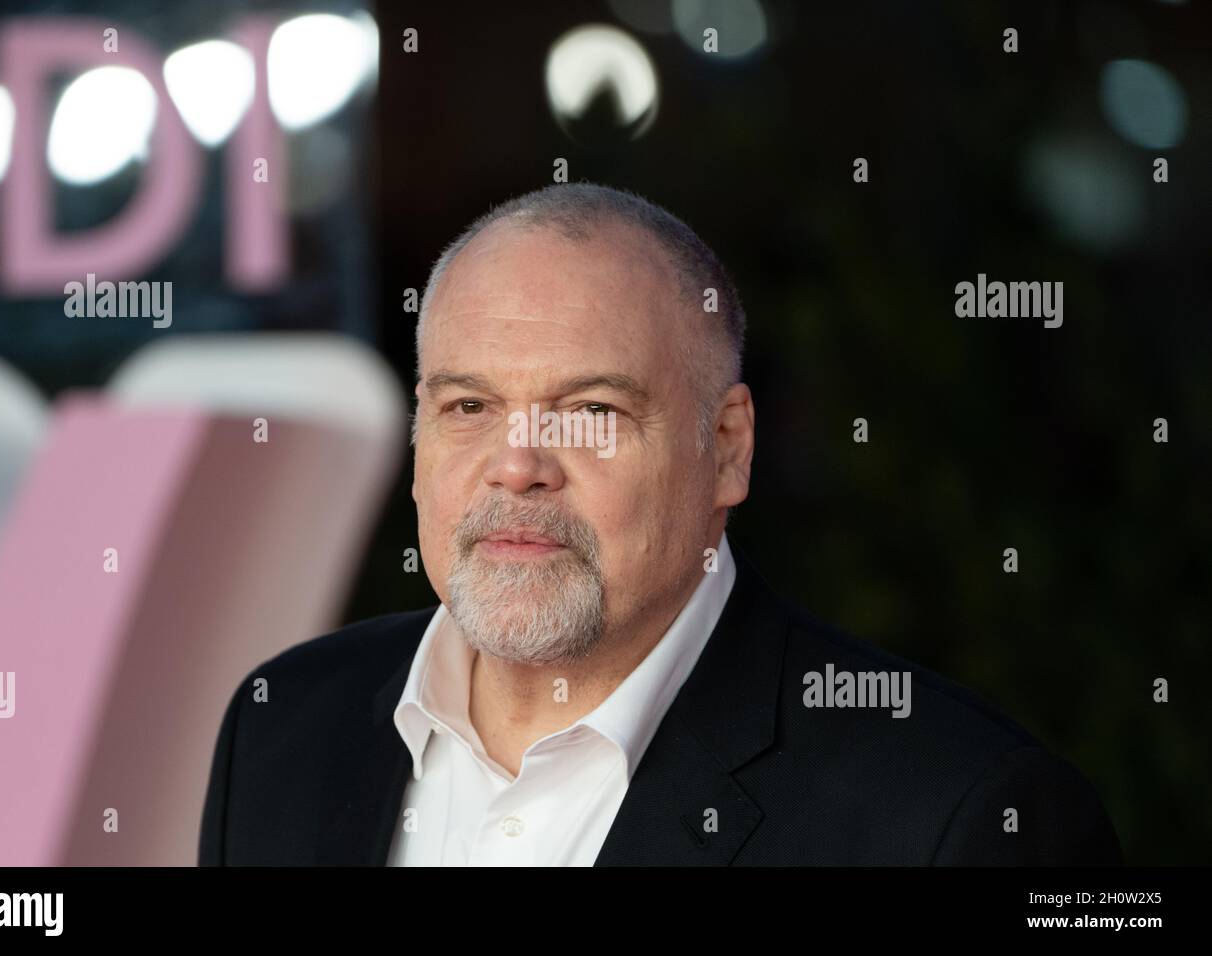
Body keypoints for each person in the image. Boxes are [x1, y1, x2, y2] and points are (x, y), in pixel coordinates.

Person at [199, 182, 1122, 866]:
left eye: (591, 412)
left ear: (725, 449)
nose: (518, 465)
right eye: (469, 407)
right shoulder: (284, 728)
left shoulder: (960, 816)